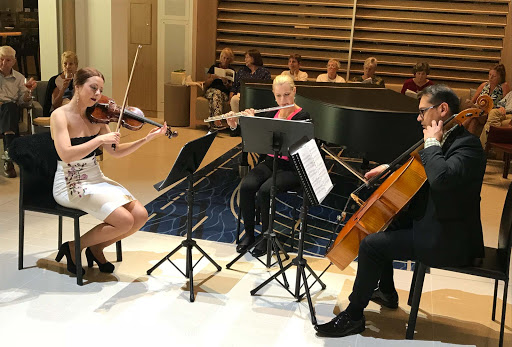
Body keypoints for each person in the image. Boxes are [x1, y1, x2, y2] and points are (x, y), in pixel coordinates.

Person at [315, 84, 486, 338]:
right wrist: (388, 168)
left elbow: (440, 178)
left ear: (442, 109)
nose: (419, 118)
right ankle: (386, 291)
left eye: (422, 111)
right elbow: (419, 167)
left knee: (372, 245)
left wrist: (430, 144)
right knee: (388, 222)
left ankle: (353, 316)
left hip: (448, 238)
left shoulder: (468, 147)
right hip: (436, 222)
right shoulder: (445, 140)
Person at [51, 67, 168, 275]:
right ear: (77, 87)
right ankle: (72, 246)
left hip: (95, 177)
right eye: (92, 88)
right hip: (71, 182)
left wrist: (146, 139)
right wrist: (98, 139)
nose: (97, 94)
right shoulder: (60, 116)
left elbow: (116, 152)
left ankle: (97, 248)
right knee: (124, 220)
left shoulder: (97, 116)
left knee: (140, 215)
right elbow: (66, 155)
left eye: (100, 89)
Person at [227, 74, 310, 257]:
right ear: (273, 95)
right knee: (247, 186)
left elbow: (299, 148)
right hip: (272, 162)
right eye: (279, 96)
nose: (283, 100)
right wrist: (239, 123)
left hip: (292, 167)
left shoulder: (303, 116)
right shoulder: (271, 113)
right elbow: (252, 139)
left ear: (294, 92)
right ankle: (249, 234)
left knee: (266, 190)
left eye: (287, 95)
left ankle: (266, 237)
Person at [0, 45, 37, 178]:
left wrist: (29, 92)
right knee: (9, 107)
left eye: (8, 60)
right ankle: (10, 157)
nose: (4, 63)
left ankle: (8, 158)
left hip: (9, 111)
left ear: (14, 62)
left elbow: (23, 101)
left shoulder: (20, 78)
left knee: (10, 107)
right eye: (1, 59)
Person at [463, 64, 510, 137]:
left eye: (494, 76)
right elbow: (472, 101)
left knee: (474, 114)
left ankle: (456, 132)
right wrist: (471, 104)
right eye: (489, 74)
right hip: (478, 113)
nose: (490, 78)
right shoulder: (484, 85)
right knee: (474, 120)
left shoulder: (504, 86)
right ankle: (467, 142)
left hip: (490, 114)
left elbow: (506, 104)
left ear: (500, 77)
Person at [229, 49, 271, 115]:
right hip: (240, 95)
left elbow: (266, 88)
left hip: (256, 96)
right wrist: (231, 93)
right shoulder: (242, 71)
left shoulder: (264, 72)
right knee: (234, 99)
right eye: (245, 57)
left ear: (254, 58)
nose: (245, 59)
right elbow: (235, 85)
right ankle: (238, 123)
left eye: (247, 57)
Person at [204, 47, 235, 130]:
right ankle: (217, 120)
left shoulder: (231, 71)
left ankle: (213, 122)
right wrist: (212, 78)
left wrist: (225, 82)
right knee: (216, 93)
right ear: (220, 58)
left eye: (228, 58)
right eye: (224, 58)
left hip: (224, 93)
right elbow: (206, 84)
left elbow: (232, 87)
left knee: (217, 95)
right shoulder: (213, 67)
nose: (225, 60)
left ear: (230, 60)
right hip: (211, 91)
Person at [43, 51, 79, 116]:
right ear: (62, 66)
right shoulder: (54, 80)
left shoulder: (79, 80)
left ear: (76, 66)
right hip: (58, 113)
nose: (68, 67)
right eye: (65, 64)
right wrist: (63, 89)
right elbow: (55, 105)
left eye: (71, 64)